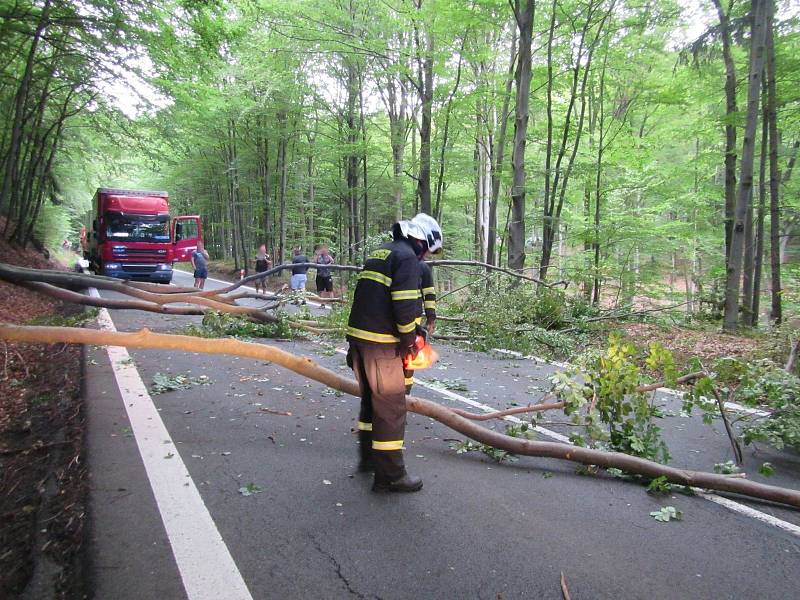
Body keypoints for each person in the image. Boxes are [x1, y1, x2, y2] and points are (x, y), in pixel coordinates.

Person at [346, 213, 443, 493]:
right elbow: (403, 304)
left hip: (360, 342)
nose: (425, 257)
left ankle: (368, 460)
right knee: (390, 408)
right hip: (380, 345)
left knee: (370, 403)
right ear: (421, 240)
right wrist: (410, 341)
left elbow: (376, 300)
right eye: (427, 250)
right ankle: (391, 476)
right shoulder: (408, 258)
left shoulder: (383, 252)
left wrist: (414, 330)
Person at [403, 260, 437, 394]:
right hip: (393, 316)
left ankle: (405, 391)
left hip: (414, 317)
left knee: (410, 354)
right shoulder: (398, 263)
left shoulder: (422, 267)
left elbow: (429, 294)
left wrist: (431, 318)